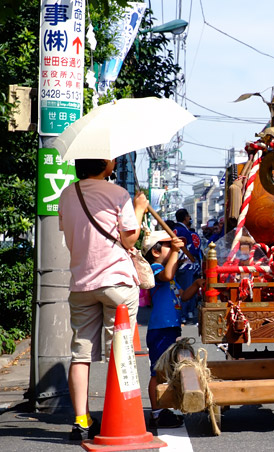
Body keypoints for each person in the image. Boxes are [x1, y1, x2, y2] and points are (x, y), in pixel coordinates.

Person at [58, 158, 148, 440]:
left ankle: (81, 421)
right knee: (119, 352)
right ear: (105, 164)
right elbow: (129, 239)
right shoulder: (118, 193)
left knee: (80, 354)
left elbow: (71, 232)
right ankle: (117, 418)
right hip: (116, 282)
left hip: (82, 283)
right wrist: (140, 210)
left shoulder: (67, 194)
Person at [142, 231, 205, 428]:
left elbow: (184, 296)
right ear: (155, 251)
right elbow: (167, 273)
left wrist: (196, 284)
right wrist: (178, 251)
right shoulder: (154, 268)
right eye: (168, 245)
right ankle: (157, 413)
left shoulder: (170, 278)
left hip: (169, 328)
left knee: (167, 370)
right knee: (157, 372)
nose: (173, 247)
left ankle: (163, 409)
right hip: (160, 329)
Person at [172, 208, 201, 323]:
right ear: (185, 218)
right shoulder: (184, 231)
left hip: (176, 263)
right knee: (186, 290)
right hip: (185, 264)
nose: (190, 218)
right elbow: (191, 249)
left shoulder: (175, 229)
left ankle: (183, 313)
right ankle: (184, 314)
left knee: (179, 289)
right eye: (188, 216)